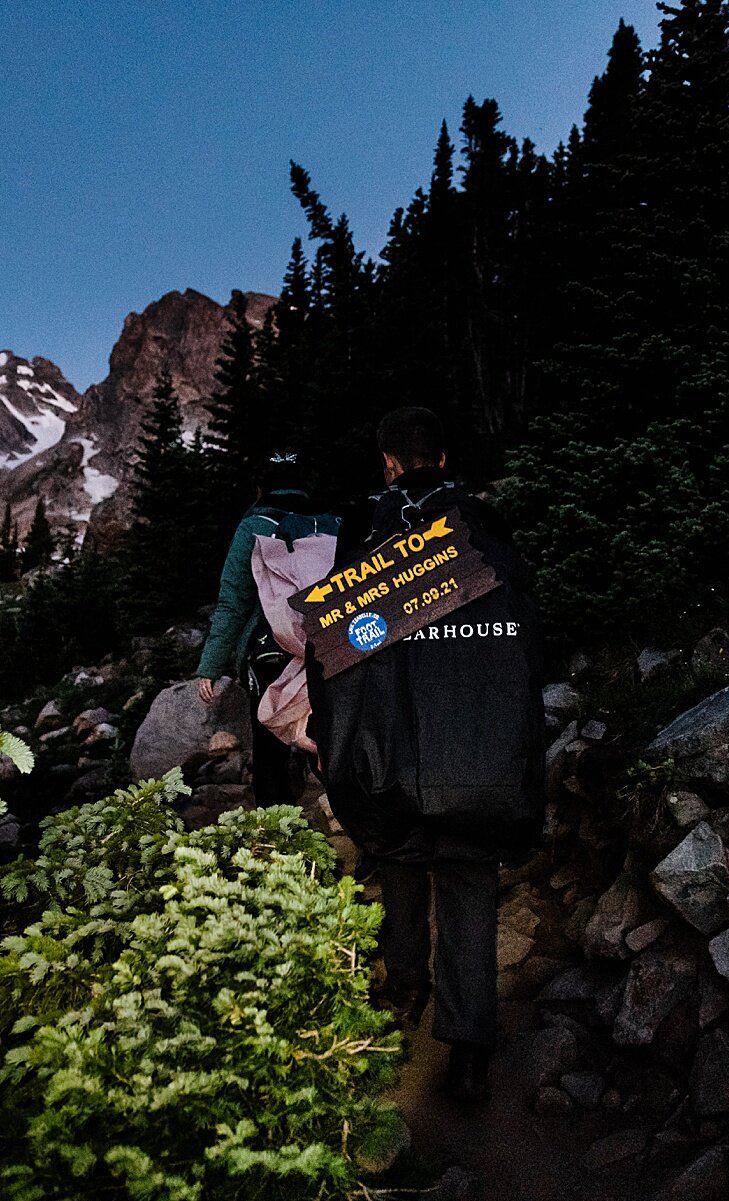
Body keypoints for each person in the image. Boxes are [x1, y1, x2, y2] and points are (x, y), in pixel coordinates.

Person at [307, 406, 545, 1103]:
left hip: (397, 750)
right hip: (475, 748)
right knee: (469, 882)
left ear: (388, 463)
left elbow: (338, 648)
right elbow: (524, 634)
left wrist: (338, 742)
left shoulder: (364, 529)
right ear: (441, 460)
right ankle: (468, 1052)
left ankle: (406, 990)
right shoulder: (482, 527)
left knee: (403, 861)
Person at [195, 454, 337, 807]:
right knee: (324, 735)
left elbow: (234, 601)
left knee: (269, 745)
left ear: (261, 488)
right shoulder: (330, 522)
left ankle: (275, 837)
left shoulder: (254, 525)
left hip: (269, 647)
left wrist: (210, 666)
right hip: (328, 643)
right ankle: (343, 822)